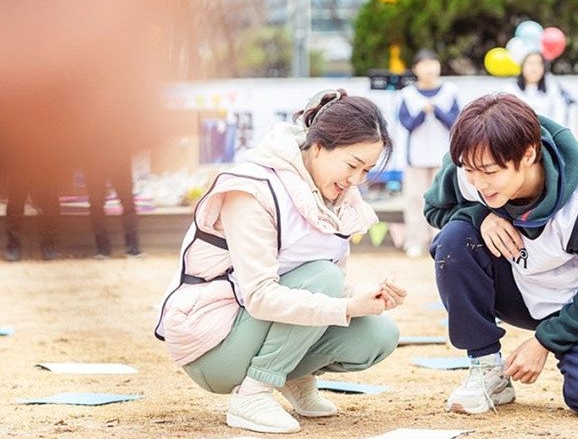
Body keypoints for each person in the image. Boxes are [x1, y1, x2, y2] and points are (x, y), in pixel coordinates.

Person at [154, 89, 406, 434]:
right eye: (352, 165)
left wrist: (363, 296)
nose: (356, 180)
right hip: (213, 346)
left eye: (366, 170)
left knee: (379, 334)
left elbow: (325, 282)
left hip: (257, 329)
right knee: (324, 278)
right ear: (318, 147)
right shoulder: (254, 189)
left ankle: (294, 375)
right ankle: (253, 394)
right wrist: (345, 305)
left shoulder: (338, 196)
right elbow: (261, 295)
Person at [424, 93, 578, 418]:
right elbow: (434, 208)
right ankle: (486, 367)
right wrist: (481, 216)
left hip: (574, 301)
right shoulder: (471, 164)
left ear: (528, 154)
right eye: (469, 170)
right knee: (454, 239)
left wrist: (544, 342)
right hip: (513, 288)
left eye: (490, 172)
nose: (478, 183)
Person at [398, 48, 460, 258]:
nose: (429, 69)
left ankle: (441, 239)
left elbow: (456, 121)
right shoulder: (407, 94)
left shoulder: (450, 91)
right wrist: (422, 112)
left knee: (443, 199)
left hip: (443, 157)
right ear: (415, 69)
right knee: (415, 199)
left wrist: (437, 110)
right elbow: (406, 123)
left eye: (433, 64)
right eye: (424, 65)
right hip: (416, 157)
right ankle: (415, 240)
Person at [83, 151, 142, 258]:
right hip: (114, 155)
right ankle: (132, 248)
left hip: (97, 156)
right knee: (126, 204)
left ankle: (103, 249)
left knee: (97, 205)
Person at [4, 161, 61, 262]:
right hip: (38, 162)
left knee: (16, 204)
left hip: (26, 162)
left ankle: (14, 249)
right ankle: (50, 249)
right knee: (49, 206)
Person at [504, 51, 568, 127]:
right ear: (522, 66)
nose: (534, 68)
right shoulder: (510, 89)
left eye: (538, 64)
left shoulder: (552, 89)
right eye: (530, 63)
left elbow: (559, 115)